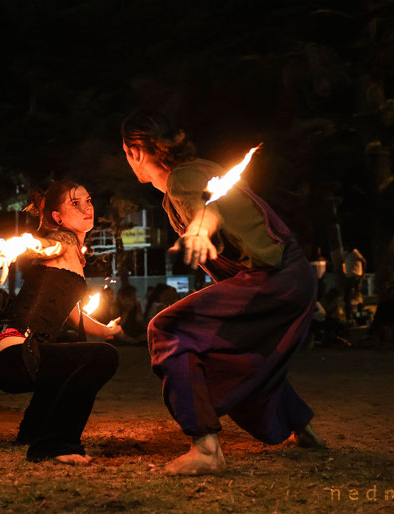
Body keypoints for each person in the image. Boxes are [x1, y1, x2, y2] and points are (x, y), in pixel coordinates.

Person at [121, 108, 325, 475]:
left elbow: (209, 210)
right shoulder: (201, 168)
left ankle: (205, 449)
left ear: (134, 151)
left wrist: (198, 230)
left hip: (272, 281)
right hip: (293, 278)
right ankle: (303, 431)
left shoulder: (183, 180)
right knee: (238, 351)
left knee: (167, 329)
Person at [0, 181, 122, 465]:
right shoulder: (64, 241)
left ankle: (33, 432)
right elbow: (47, 245)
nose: (87, 207)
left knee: (69, 350)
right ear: (57, 217)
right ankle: (56, 443)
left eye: (88, 200)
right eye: (75, 203)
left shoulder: (74, 258)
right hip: (16, 355)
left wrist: (107, 330)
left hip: (11, 355)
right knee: (103, 358)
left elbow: (75, 316)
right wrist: (22, 244)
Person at [342, 244, 366, 321]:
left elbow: (364, 261)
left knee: (356, 295)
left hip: (356, 276)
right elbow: (342, 262)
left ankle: (359, 315)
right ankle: (349, 315)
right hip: (349, 276)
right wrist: (344, 271)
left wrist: (362, 273)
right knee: (347, 296)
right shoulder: (346, 254)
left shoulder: (355, 253)